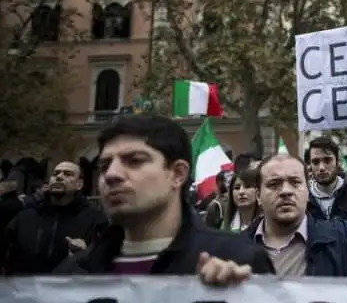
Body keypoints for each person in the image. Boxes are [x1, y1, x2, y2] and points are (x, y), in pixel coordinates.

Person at [54, 115, 273, 284]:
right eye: (104, 166)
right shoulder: (72, 274)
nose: (111, 175)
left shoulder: (239, 261)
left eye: (134, 161)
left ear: (177, 174)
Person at [2, 161, 108, 275]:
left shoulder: (95, 219)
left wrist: (86, 255)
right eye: (55, 173)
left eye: (68, 174)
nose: (59, 177)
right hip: (24, 289)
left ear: (79, 184)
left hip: (70, 289)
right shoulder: (25, 217)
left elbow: (105, 265)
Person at [305, 137, 347, 221]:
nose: (321, 168)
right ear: (310, 165)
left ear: (338, 162)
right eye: (316, 162)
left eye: (327, 160)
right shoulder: (302, 199)